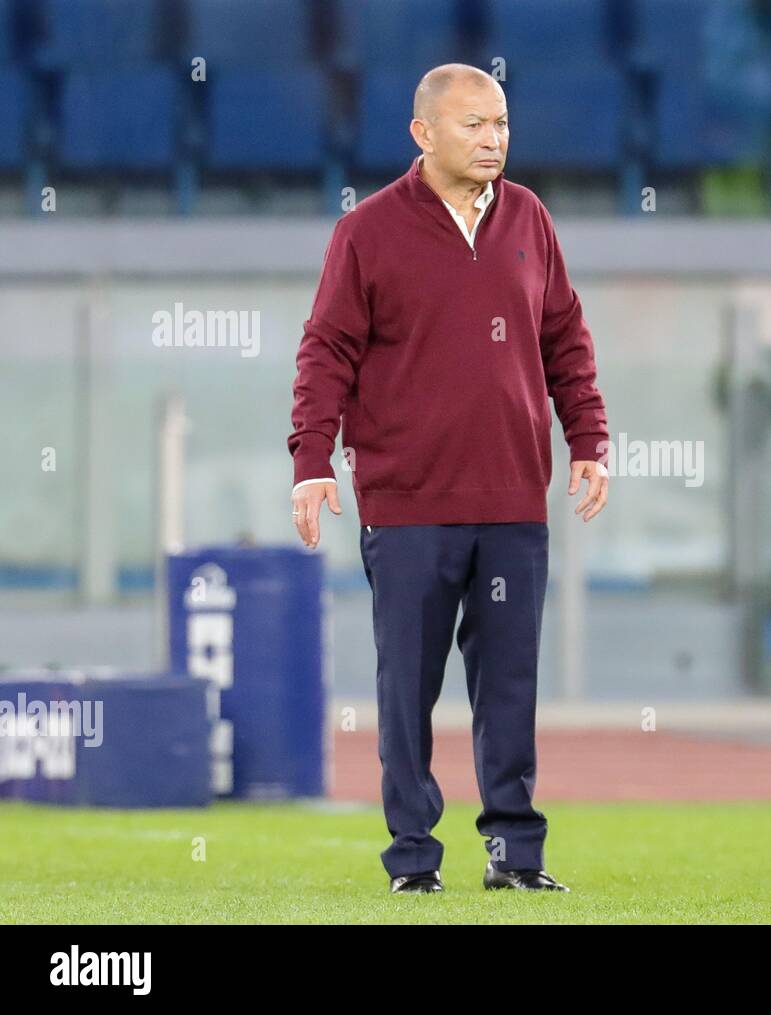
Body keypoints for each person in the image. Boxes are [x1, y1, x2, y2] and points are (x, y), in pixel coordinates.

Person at [286, 64, 609, 894]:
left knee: (509, 688)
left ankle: (516, 854)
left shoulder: (531, 218)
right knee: (407, 692)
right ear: (423, 134)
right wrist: (311, 460)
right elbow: (326, 351)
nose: (494, 139)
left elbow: (566, 337)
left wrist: (589, 439)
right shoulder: (367, 231)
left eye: (501, 122)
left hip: (511, 502)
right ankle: (413, 862)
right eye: (474, 125)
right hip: (407, 506)